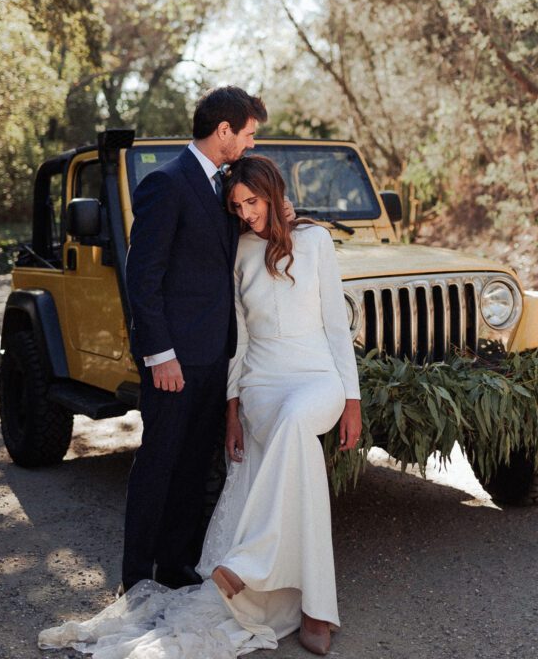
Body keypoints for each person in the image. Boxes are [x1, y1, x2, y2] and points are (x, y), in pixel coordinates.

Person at [39, 156, 362, 658]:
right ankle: (316, 610)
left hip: (316, 378)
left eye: (252, 202)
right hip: (261, 382)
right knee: (293, 446)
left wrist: (351, 399)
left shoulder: (316, 242)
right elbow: (240, 336)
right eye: (237, 207)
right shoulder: (238, 251)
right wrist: (233, 408)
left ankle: (253, 567)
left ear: (273, 195)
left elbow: (337, 326)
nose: (247, 214)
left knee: (297, 424)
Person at [121, 85, 268, 593]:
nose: (250, 144)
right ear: (223, 130)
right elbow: (143, 278)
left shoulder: (225, 186)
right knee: (158, 466)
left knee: (192, 468)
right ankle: (136, 578)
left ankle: (175, 566)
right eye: (248, 135)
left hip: (216, 355)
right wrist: (160, 355)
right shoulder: (166, 183)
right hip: (174, 361)